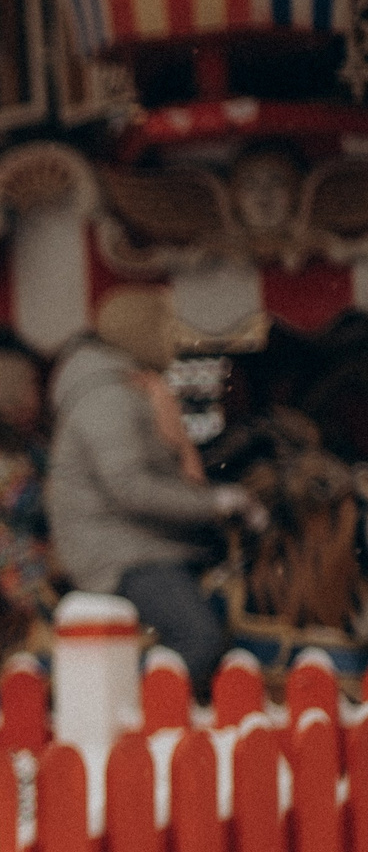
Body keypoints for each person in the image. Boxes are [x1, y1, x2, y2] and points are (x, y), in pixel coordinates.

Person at [46, 286, 254, 693]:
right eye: (162, 328)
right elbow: (130, 486)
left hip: (141, 541)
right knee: (199, 638)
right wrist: (215, 503)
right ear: (140, 334)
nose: (171, 339)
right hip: (119, 552)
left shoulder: (132, 386)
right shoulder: (106, 396)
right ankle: (137, 715)